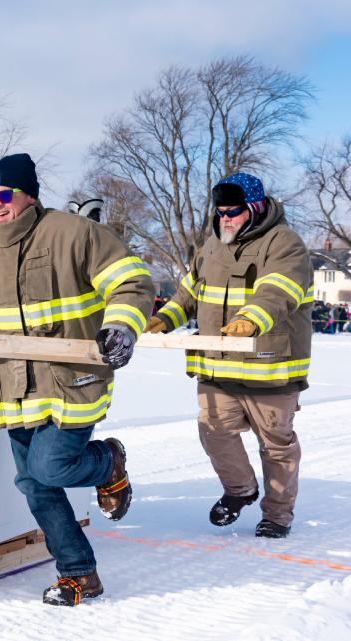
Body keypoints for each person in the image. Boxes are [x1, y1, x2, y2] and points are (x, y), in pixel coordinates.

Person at [0, 153, 154, 606]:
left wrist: (121, 324)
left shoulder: (73, 233)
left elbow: (132, 281)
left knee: (50, 468)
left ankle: (108, 462)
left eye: (3, 195)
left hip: (68, 380)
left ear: (29, 195)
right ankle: (79, 574)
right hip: (9, 385)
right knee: (35, 485)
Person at [147, 172, 311, 539]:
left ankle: (277, 514)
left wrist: (250, 320)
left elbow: (277, 290)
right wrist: (163, 318)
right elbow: (189, 293)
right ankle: (240, 490)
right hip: (217, 365)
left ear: (255, 208)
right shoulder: (211, 247)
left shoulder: (285, 244)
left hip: (268, 364)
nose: (225, 218)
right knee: (214, 432)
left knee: (276, 446)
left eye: (233, 212)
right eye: (220, 212)